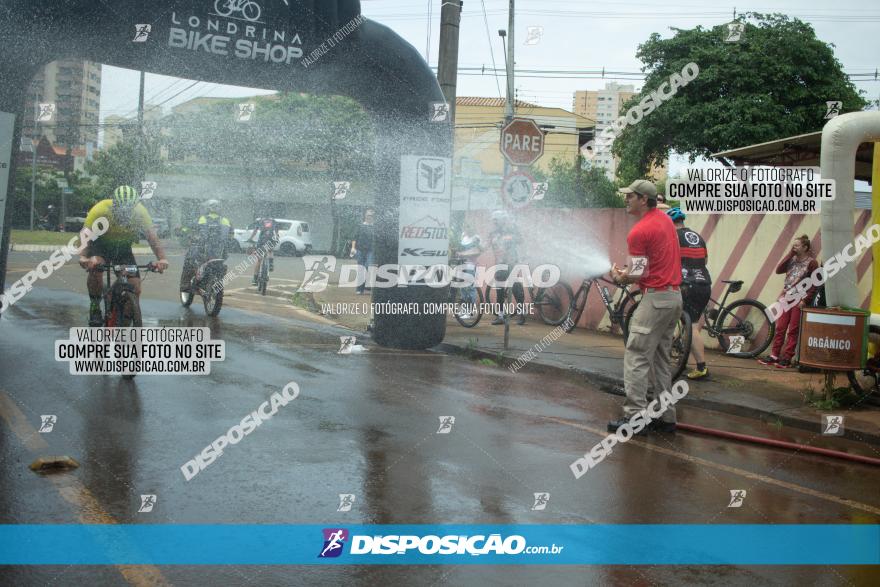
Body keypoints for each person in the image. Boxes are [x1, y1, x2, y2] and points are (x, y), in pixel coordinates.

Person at [608, 179, 682, 434]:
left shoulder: (639, 231)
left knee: (637, 356)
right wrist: (630, 272)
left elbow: (638, 273)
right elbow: (651, 264)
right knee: (661, 360)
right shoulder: (665, 221)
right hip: (674, 298)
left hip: (656, 300)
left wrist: (619, 276)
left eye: (631, 196)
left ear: (643, 200)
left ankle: (634, 417)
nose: (626, 199)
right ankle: (665, 417)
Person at [79, 185, 169, 326]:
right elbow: (85, 234)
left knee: (135, 286)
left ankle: (125, 319)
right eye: (121, 210)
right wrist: (84, 257)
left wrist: (162, 259)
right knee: (96, 269)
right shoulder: (101, 209)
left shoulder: (140, 212)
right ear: (114, 205)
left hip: (123, 249)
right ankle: (95, 306)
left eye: (127, 211)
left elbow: (152, 238)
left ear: (134, 207)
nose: (124, 215)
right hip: (100, 246)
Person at [758, 235, 819, 369]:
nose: (794, 247)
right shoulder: (791, 259)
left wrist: (805, 299)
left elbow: (815, 283)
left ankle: (787, 357)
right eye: (793, 245)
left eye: (797, 245)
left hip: (799, 298)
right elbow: (779, 270)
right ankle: (774, 355)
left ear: (805, 247)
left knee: (793, 329)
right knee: (780, 327)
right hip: (787, 297)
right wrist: (790, 253)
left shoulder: (812, 263)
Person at [667, 207, 712, 380]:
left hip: (686, 284)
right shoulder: (697, 237)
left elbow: (668, 260)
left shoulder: (673, 237)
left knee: (685, 324)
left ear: (671, 223)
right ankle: (684, 352)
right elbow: (705, 260)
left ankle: (701, 368)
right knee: (690, 323)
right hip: (704, 284)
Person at [179, 199, 232, 293]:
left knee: (189, 260)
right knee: (221, 266)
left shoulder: (203, 219)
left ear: (208, 208)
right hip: (220, 253)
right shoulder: (225, 220)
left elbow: (192, 228)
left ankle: (185, 285)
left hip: (203, 251)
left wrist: (182, 230)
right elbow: (231, 235)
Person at [488, 209, 525, 325]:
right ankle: (500, 316)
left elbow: (520, 240)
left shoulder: (511, 229)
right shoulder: (493, 233)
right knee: (499, 290)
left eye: (496, 220)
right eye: (493, 221)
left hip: (511, 263)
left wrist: (510, 238)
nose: (494, 223)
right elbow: (486, 245)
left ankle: (522, 314)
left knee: (516, 289)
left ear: (502, 220)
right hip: (500, 264)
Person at [456, 224, 483, 320]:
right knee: (463, 288)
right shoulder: (463, 235)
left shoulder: (476, 238)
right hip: (461, 264)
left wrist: (463, 254)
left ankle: (470, 311)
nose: (467, 229)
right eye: (466, 227)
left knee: (470, 288)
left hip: (471, 265)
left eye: (469, 227)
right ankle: (464, 310)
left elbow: (478, 251)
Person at [350, 208, 375, 295]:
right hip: (360, 250)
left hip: (371, 251)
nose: (370, 217)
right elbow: (354, 238)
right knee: (361, 269)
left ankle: (367, 286)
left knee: (368, 266)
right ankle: (360, 289)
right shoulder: (360, 226)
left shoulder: (375, 227)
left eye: (371, 215)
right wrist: (353, 248)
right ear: (365, 215)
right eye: (368, 215)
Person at [249, 217, 279, 286]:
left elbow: (255, 231)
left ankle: (255, 279)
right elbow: (276, 231)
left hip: (261, 240)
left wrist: (250, 238)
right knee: (270, 250)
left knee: (259, 260)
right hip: (270, 239)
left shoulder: (260, 221)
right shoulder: (273, 221)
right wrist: (276, 237)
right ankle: (271, 263)